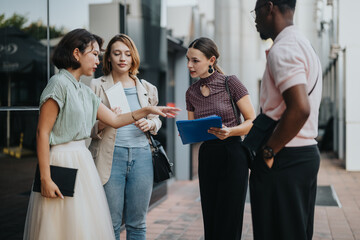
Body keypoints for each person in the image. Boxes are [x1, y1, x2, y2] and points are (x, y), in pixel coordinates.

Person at [23, 29, 179, 240]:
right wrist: (45, 178)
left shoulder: (83, 89)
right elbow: (42, 133)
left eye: (98, 54)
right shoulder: (58, 84)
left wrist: (149, 111)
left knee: (81, 227)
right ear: (77, 54)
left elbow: (115, 120)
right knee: (60, 226)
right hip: (62, 160)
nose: (98, 59)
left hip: (82, 160)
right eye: (95, 53)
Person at [249, 0, 322, 239]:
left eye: (256, 10)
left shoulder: (284, 49)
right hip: (302, 154)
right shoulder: (303, 44)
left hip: (284, 156)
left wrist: (269, 152)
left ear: (269, 7)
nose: (255, 18)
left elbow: (300, 108)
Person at [88, 34, 161, 240]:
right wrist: (107, 118)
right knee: (109, 222)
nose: (122, 58)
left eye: (128, 54)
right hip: (111, 158)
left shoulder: (147, 88)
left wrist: (151, 123)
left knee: (137, 223)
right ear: (108, 57)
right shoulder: (96, 86)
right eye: (117, 53)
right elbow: (87, 128)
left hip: (142, 157)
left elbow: (157, 120)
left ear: (133, 58)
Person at [185, 37, 256, 240]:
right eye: (188, 59)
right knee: (211, 215)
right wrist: (187, 132)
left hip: (233, 153)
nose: (190, 65)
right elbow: (193, 129)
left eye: (195, 60)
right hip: (207, 155)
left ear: (211, 60)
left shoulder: (230, 82)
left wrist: (230, 131)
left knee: (230, 218)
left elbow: (252, 121)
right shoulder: (190, 92)